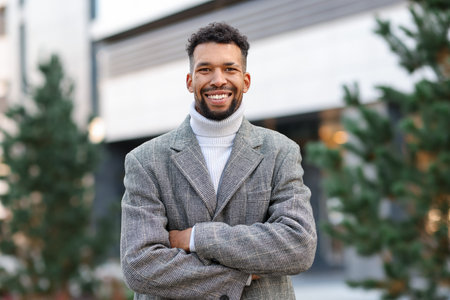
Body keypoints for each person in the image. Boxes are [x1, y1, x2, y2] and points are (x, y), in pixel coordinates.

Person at [120, 22, 317, 300]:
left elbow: (299, 246)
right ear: (190, 81)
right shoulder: (145, 160)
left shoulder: (281, 151)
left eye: (229, 69)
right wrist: (243, 274)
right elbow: (139, 267)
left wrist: (197, 238)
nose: (218, 80)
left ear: (245, 81)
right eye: (205, 69)